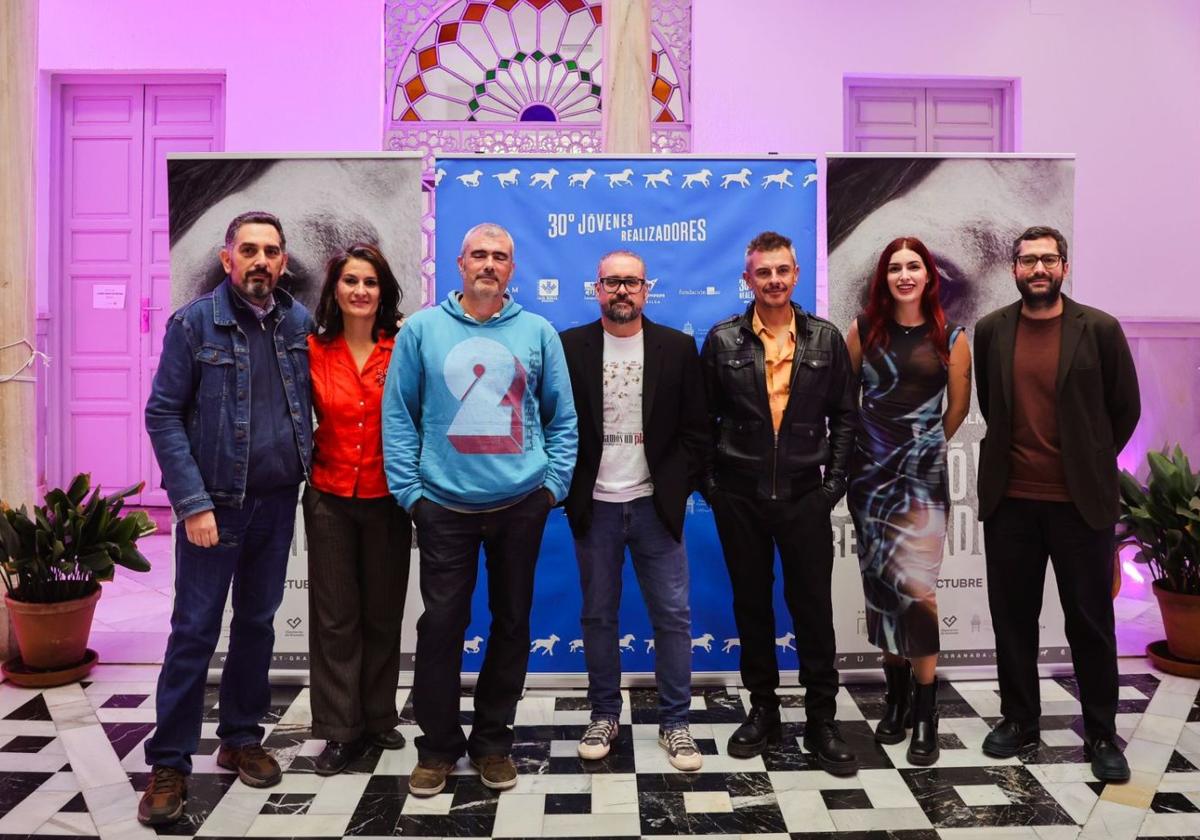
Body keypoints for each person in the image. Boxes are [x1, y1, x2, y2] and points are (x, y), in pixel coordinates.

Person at [382, 222, 577, 796]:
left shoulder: (538, 332)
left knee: (513, 624)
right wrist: (411, 495)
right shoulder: (421, 330)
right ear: (459, 264)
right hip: (443, 505)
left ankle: (493, 742)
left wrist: (552, 488)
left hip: (521, 503)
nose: (489, 264)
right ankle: (438, 748)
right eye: (479, 255)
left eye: (501, 256)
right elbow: (399, 417)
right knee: (442, 626)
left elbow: (562, 418)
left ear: (512, 269)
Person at [140, 211, 314, 825]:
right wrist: (192, 504)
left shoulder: (297, 321)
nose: (260, 261)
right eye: (249, 250)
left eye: (271, 251)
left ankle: (240, 736)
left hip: (276, 503)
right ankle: (168, 762)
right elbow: (162, 415)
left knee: (258, 625)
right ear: (227, 259)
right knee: (194, 633)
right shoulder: (194, 325)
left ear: (284, 261)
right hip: (214, 507)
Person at [975, 226, 1140, 783]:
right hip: (1011, 503)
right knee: (1012, 619)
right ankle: (1019, 719)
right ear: (1014, 269)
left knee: (1090, 623)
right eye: (1028, 260)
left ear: (1064, 266)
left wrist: (1089, 461)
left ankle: (1100, 731)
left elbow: (1125, 410)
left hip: (1079, 506)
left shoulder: (1100, 329)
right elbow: (994, 408)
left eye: (1048, 259)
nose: (1038, 268)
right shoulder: (992, 329)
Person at [701, 231, 859, 776]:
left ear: (796, 275)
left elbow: (845, 417)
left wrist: (832, 485)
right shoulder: (722, 340)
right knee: (752, 607)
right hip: (739, 498)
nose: (773, 280)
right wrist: (713, 489)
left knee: (814, 610)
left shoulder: (825, 338)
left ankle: (821, 721)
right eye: (762, 272)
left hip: (803, 497)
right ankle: (763, 710)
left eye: (782, 271)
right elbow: (701, 423)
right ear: (748, 279)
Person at [559, 250, 710, 772]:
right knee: (598, 616)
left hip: (654, 507)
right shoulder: (568, 347)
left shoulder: (677, 347)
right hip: (594, 507)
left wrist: (676, 486)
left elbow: (697, 430)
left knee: (673, 618)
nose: (622, 291)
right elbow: (553, 423)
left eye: (631, 282)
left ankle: (676, 724)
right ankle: (604, 714)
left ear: (648, 289)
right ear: (596, 289)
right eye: (611, 282)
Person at [845, 237, 971, 766]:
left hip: (921, 484)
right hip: (869, 481)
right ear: (884, 277)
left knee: (917, 593)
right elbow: (843, 402)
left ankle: (925, 712)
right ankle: (893, 702)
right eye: (894, 267)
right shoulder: (863, 330)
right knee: (881, 591)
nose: (904, 275)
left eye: (913, 266)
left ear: (927, 275)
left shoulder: (953, 336)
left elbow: (957, 411)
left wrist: (916, 448)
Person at [303, 244, 412, 775]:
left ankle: (377, 717)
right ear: (335, 291)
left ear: (383, 291)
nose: (361, 291)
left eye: (370, 282)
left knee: (383, 615)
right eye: (351, 281)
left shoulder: (402, 348)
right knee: (336, 620)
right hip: (328, 499)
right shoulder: (311, 350)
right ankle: (340, 730)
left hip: (389, 498)